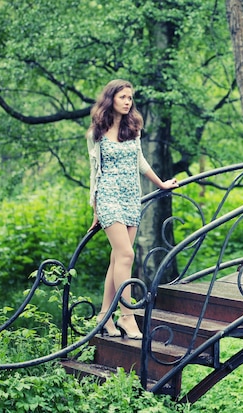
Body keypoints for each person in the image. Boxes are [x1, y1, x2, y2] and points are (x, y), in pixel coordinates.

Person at [87, 79, 178, 339]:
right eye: (123, 97)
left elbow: (140, 161)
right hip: (108, 197)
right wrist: (95, 207)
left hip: (131, 197)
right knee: (126, 255)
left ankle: (104, 316)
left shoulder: (133, 128)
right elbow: (94, 173)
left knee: (117, 258)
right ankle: (127, 316)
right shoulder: (96, 133)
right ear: (111, 99)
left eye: (130, 97)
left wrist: (161, 183)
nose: (128, 102)